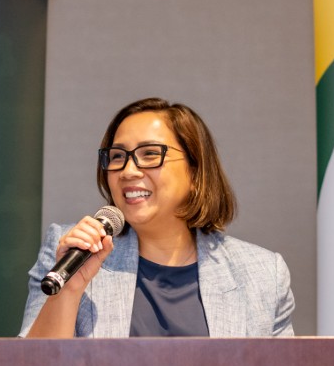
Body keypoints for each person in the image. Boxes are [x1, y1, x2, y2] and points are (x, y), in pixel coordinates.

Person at [20, 98, 295, 338]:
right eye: (117, 156)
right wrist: (69, 290)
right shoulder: (72, 251)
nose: (128, 171)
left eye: (150, 154)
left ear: (195, 172)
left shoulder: (262, 274)